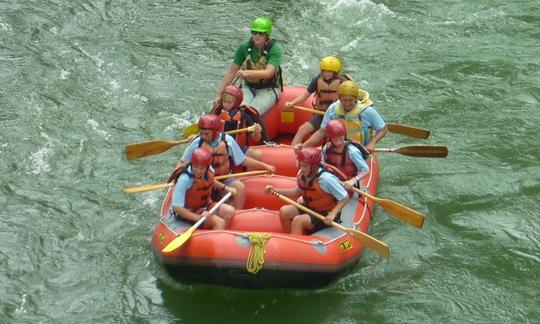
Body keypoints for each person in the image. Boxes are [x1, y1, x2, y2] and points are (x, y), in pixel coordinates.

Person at [181, 114, 275, 209]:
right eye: (202, 133)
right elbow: (183, 163)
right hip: (203, 179)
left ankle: (236, 215)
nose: (203, 136)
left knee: (240, 188)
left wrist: (265, 166)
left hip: (225, 178)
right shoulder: (196, 143)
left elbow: (242, 159)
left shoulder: (228, 140)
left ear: (216, 132)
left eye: (206, 134)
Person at [265, 147, 349, 235]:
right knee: (284, 211)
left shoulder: (326, 179)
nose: (302, 168)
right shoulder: (302, 174)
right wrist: (275, 191)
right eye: (300, 165)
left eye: (305, 166)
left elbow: (345, 197)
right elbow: (298, 192)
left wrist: (333, 214)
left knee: (298, 221)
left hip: (325, 214)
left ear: (314, 166)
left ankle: (294, 246)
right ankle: (288, 239)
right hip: (309, 208)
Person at [213, 16, 283, 116]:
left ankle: (258, 130)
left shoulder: (275, 48)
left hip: (269, 89)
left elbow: (268, 73)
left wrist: (246, 73)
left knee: (251, 113)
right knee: (238, 112)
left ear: (267, 35)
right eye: (254, 32)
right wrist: (219, 95)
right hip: (248, 87)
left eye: (261, 33)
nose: (257, 36)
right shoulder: (244, 47)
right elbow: (231, 72)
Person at [296, 80, 387, 153]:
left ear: (356, 98)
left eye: (350, 100)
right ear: (339, 98)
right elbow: (322, 132)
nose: (347, 104)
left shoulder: (367, 111)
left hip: (360, 151)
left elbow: (383, 129)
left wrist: (372, 143)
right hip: (337, 150)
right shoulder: (333, 109)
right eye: (344, 100)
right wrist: (304, 145)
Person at [284, 56, 352, 146]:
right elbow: (305, 95)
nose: (326, 73)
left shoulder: (344, 82)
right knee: (302, 129)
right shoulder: (317, 80)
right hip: (321, 114)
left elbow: (352, 99)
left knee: (327, 134)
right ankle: (292, 152)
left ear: (335, 72)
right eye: (324, 71)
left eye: (329, 71)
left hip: (337, 116)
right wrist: (292, 103)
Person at [169, 147, 236, 230]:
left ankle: (218, 234)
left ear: (207, 167)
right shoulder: (184, 180)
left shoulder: (209, 170)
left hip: (205, 206)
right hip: (189, 211)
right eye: (196, 167)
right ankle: (216, 238)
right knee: (219, 222)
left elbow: (210, 181)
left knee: (230, 211)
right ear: (192, 164)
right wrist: (198, 217)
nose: (198, 171)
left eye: (202, 168)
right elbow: (177, 208)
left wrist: (226, 188)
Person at [210, 85, 268, 160]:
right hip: (218, 147)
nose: (225, 104)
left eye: (229, 102)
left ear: (236, 103)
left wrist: (257, 132)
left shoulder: (244, 115)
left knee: (256, 155)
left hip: (238, 149)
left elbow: (256, 139)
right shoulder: (217, 112)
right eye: (224, 101)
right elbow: (206, 129)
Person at [322, 119, 369, 190]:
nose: (338, 142)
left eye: (341, 139)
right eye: (335, 140)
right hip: (330, 180)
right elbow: (322, 163)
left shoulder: (352, 151)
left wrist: (353, 180)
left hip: (346, 184)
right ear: (330, 138)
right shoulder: (326, 148)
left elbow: (366, 170)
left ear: (345, 135)